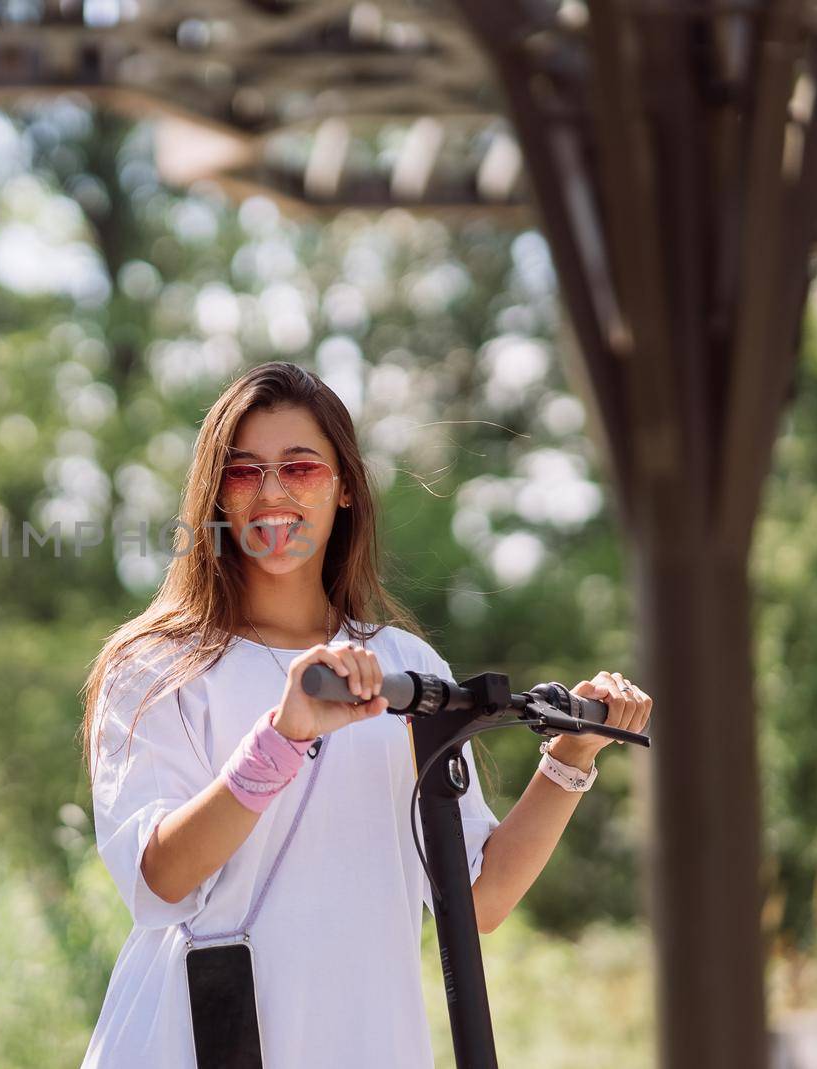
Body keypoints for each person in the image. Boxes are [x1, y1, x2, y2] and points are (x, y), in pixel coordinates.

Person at [77, 362, 653, 1067]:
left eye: (301, 468)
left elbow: (476, 902)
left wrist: (570, 758)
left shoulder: (409, 669)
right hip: (188, 1041)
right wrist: (282, 738)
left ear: (346, 487)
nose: (273, 493)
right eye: (244, 472)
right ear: (214, 494)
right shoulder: (157, 665)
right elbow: (159, 879)